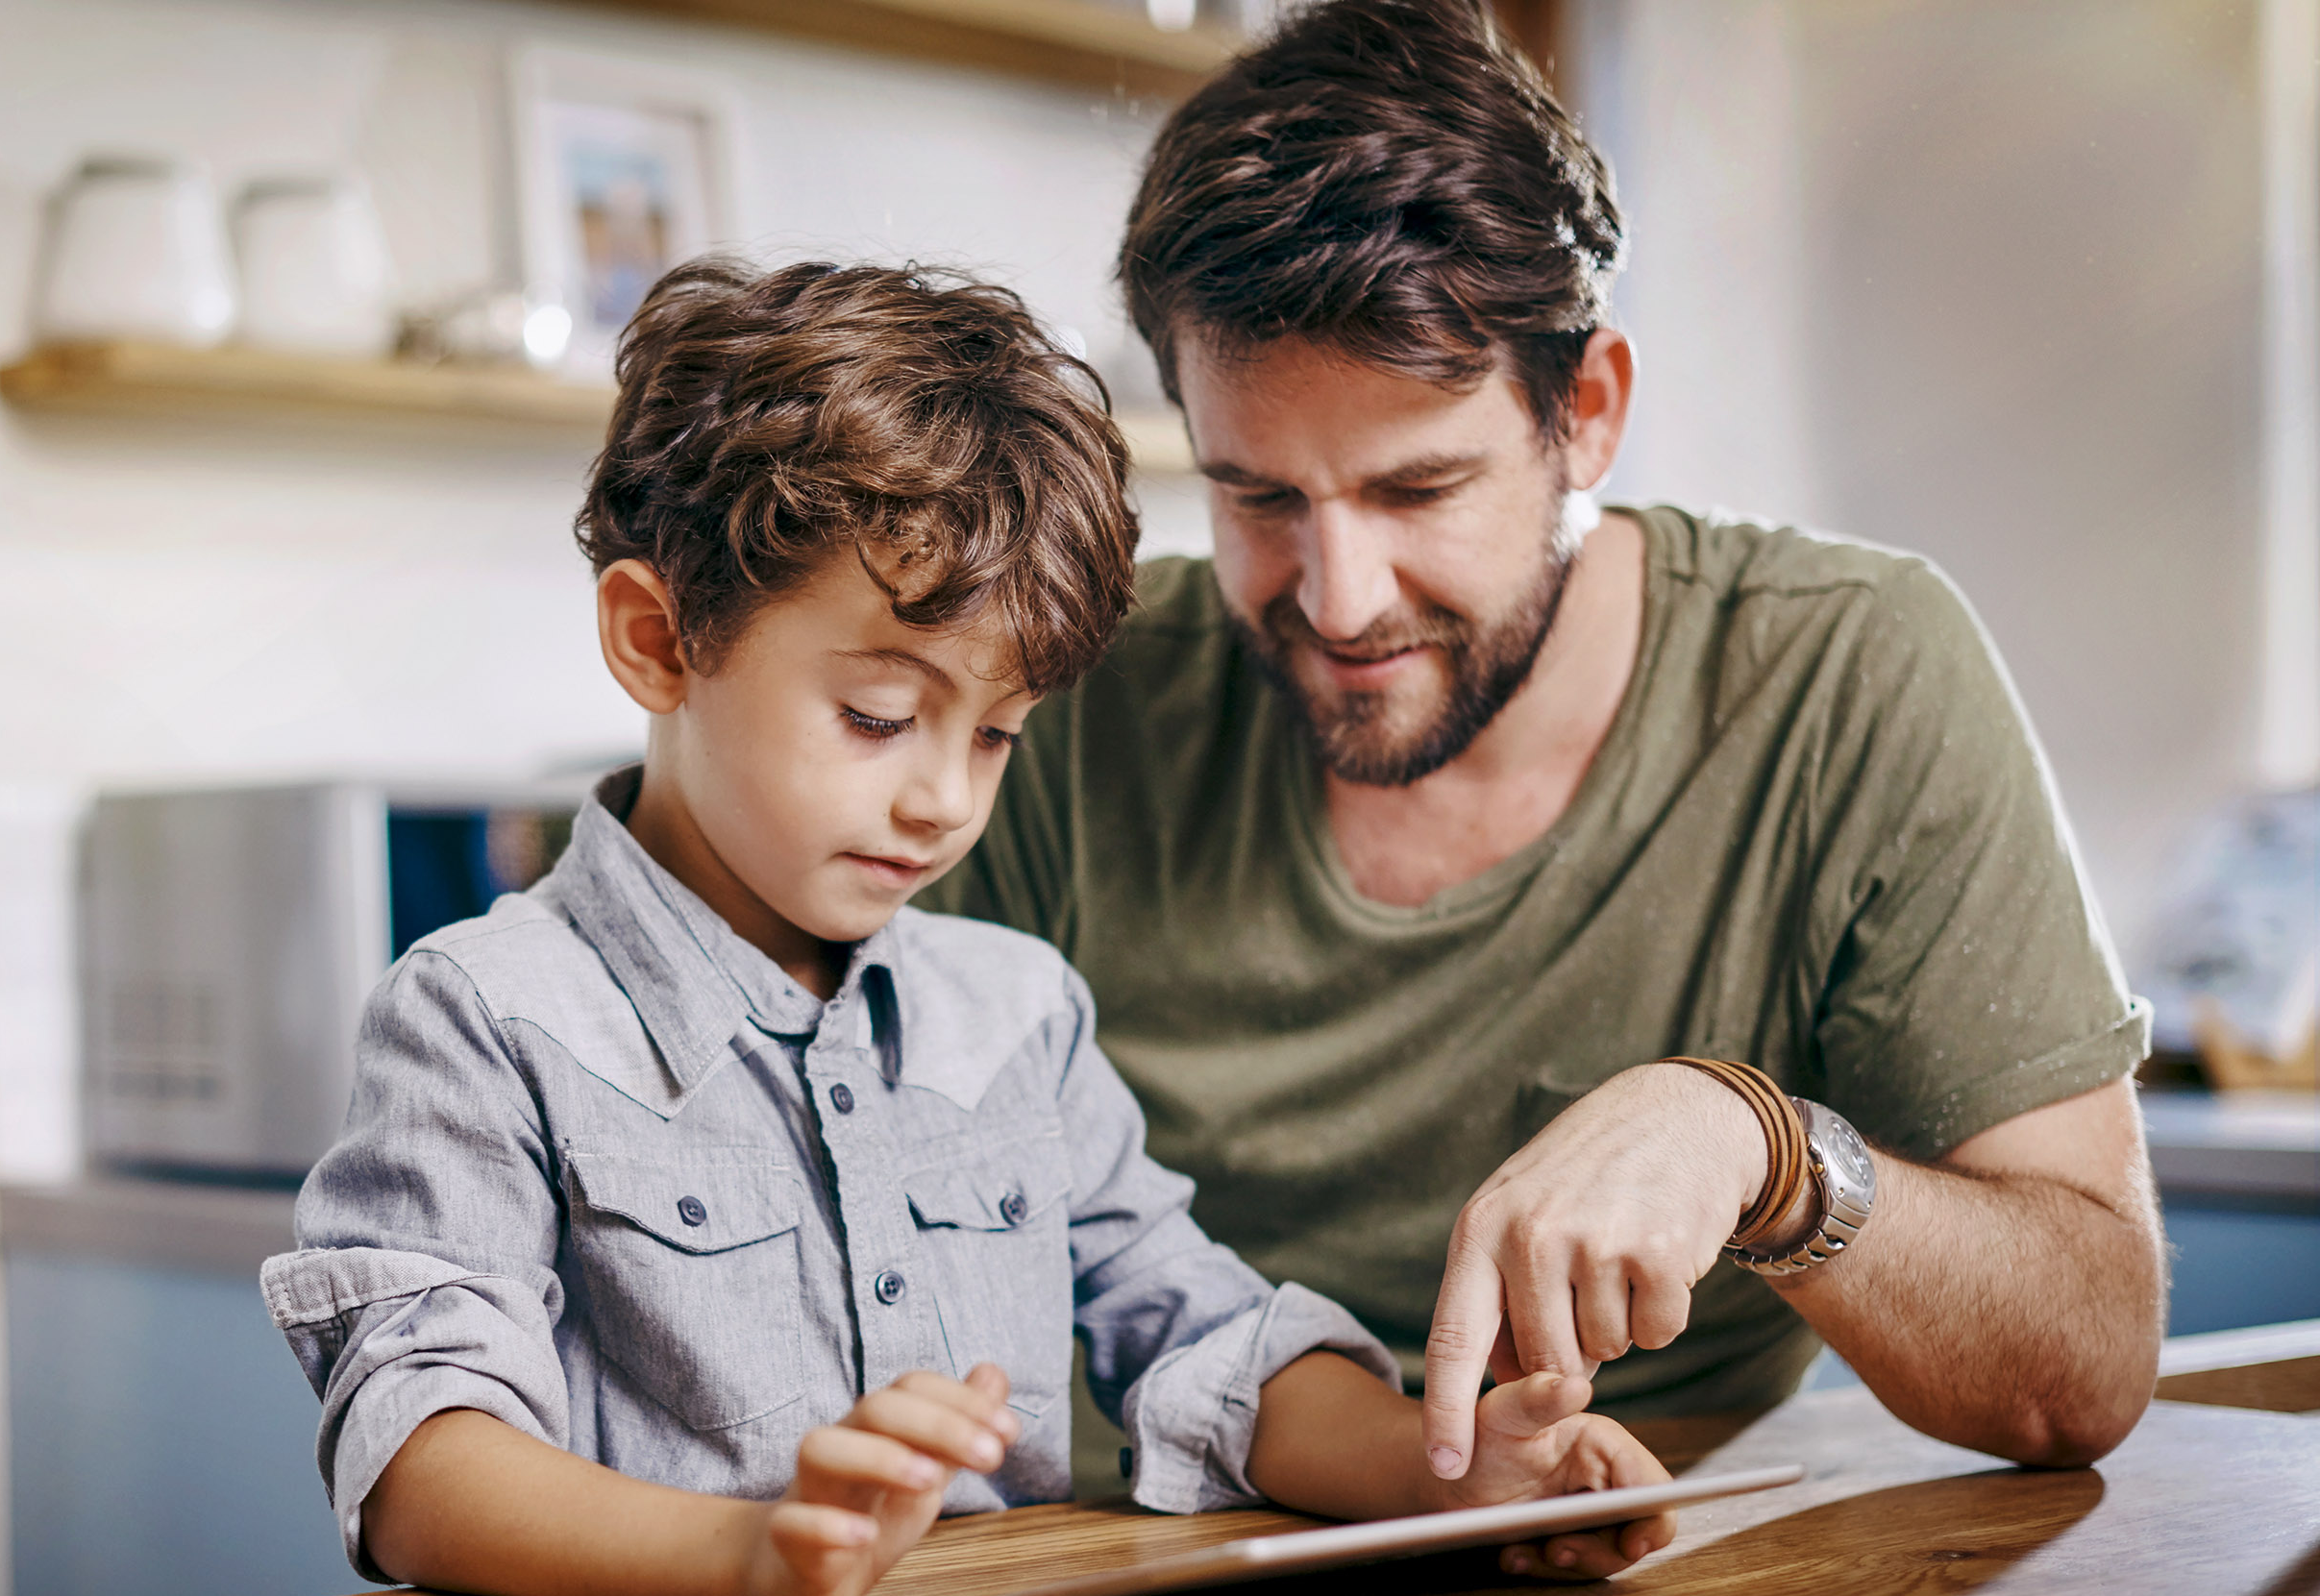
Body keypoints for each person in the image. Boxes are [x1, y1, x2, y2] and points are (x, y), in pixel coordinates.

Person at [261, 259, 1675, 1596]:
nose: (944, 796)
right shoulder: (485, 1018)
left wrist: (1454, 1477)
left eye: (995, 733)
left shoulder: (1016, 1015)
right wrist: (741, 1562)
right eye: (880, 716)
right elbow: (417, 1456)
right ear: (657, 640)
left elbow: (1195, 1334)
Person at [925, 0, 2167, 1493]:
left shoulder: (1849, 675)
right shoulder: (1074, 701)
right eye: (1259, 499)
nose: (1337, 599)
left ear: (1586, 414)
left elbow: (2080, 1371)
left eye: (1418, 489)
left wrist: (1766, 1153)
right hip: (1129, 1575)